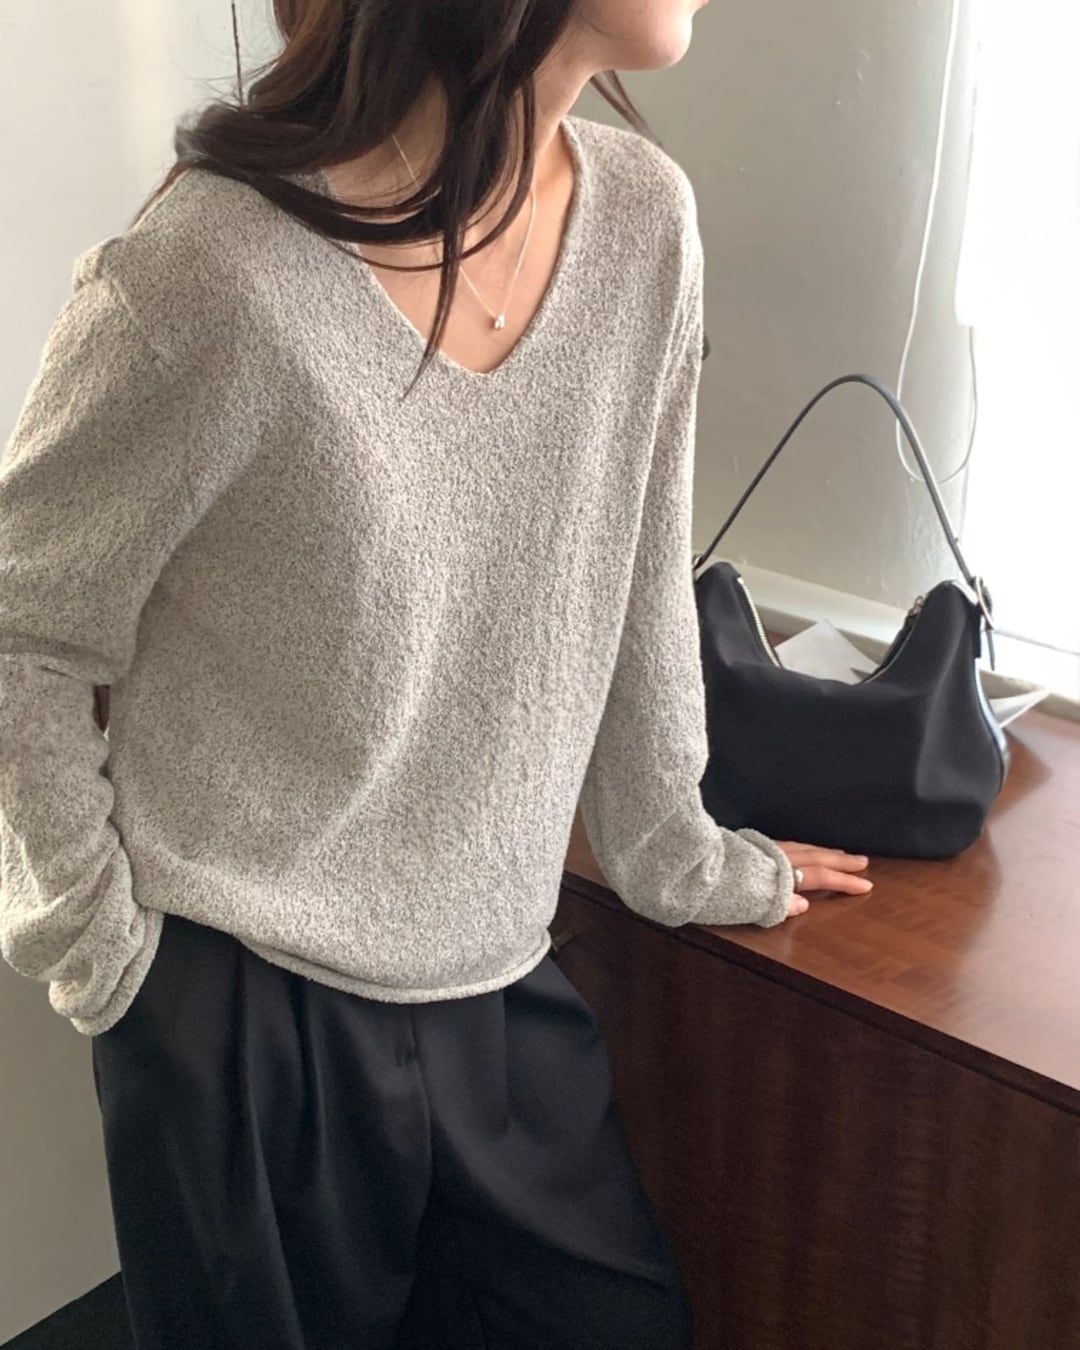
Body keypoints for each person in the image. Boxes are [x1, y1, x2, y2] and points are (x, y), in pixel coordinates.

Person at [0, 1, 873, 1345]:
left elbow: (640, 578)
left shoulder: (646, 222)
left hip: (503, 981)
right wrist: (106, 961)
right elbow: (25, 627)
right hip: (242, 1013)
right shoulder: (211, 271)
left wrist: (679, 855)